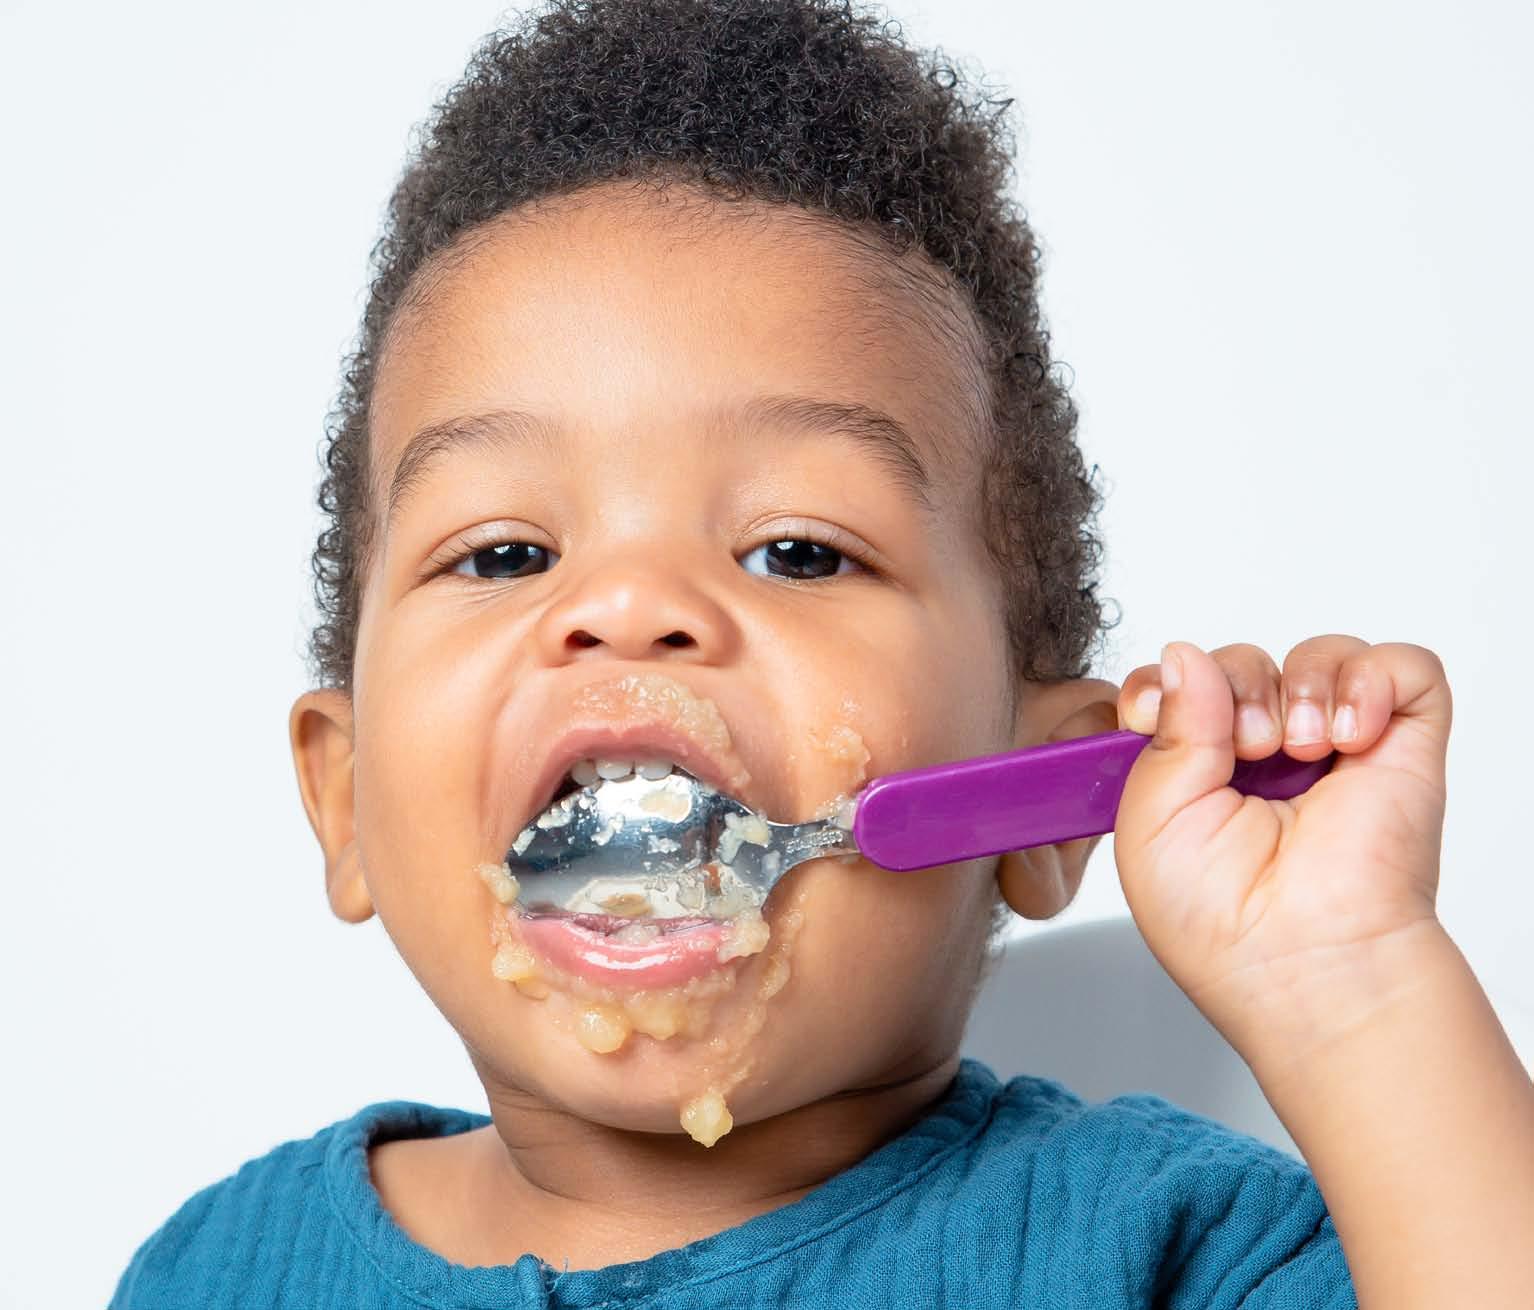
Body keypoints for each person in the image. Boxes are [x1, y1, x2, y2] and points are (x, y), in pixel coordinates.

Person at [109, 1, 1534, 1305]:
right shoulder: (219, 1272)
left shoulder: (1168, 1250)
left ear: (1040, 798)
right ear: (346, 796)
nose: (631, 607)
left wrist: (1346, 981)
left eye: (797, 549)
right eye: (502, 554)